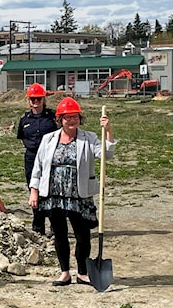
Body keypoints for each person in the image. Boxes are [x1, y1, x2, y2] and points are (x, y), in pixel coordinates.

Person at [29, 97, 115, 286]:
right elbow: (39, 166)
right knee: (59, 234)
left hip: (79, 194)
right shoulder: (49, 139)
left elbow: (106, 155)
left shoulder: (90, 137)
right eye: (67, 117)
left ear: (80, 118)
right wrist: (34, 190)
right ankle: (65, 272)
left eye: (75, 117)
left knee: (82, 235)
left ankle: (83, 272)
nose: (71, 121)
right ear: (60, 119)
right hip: (54, 194)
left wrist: (108, 131)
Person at [16, 83, 57, 238]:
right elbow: (22, 138)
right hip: (32, 158)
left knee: (52, 191)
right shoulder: (24, 119)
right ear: (29, 101)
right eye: (33, 99)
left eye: (38, 99)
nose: (35, 102)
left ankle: (55, 226)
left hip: (50, 157)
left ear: (43, 99)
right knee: (34, 191)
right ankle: (38, 227)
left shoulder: (52, 117)